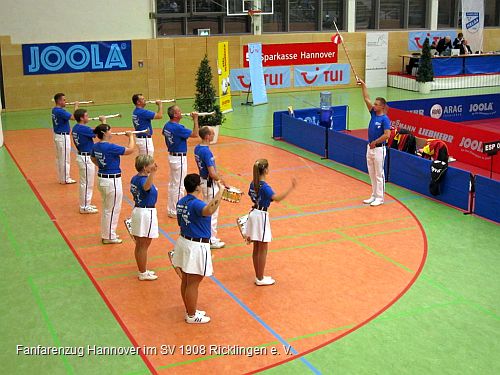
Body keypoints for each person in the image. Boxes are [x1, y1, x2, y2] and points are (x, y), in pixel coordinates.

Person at [172, 173, 224, 324]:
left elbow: (180, 222)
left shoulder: (181, 202)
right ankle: (192, 315)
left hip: (184, 241)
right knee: (193, 281)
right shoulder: (197, 204)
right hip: (195, 245)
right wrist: (220, 191)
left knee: (187, 280)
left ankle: (190, 308)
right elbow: (209, 210)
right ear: (196, 187)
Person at [247, 159, 296, 286]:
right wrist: (291, 188)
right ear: (265, 170)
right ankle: (260, 278)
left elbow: (253, 196)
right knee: (263, 248)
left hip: (254, 213)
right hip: (261, 216)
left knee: (256, 247)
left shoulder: (253, 183)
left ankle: (258, 275)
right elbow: (277, 198)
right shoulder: (265, 187)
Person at [91, 122, 135, 244]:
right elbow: (130, 150)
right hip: (112, 181)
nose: (111, 132)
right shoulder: (110, 147)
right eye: (109, 130)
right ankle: (109, 236)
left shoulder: (96, 146)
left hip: (102, 178)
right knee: (113, 208)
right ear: (104, 133)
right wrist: (131, 136)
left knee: (106, 208)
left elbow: (93, 158)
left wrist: (102, 166)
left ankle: (107, 233)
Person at [357, 78, 391, 207]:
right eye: (374, 104)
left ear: (382, 106)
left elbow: (387, 135)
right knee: (371, 173)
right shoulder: (373, 114)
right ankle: (374, 195)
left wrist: (376, 142)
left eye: (377, 104)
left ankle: (380, 197)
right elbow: (366, 98)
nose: (374, 105)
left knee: (379, 174)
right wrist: (363, 85)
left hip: (379, 149)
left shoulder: (384, 119)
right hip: (369, 147)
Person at [162, 105, 199, 218]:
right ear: (175, 115)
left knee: (173, 184)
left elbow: (164, 133)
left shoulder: (167, 125)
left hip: (172, 156)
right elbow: (195, 134)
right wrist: (196, 120)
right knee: (179, 186)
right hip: (179, 158)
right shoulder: (178, 128)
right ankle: (175, 210)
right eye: (179, 111)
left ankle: (171, 209)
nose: (181, 112)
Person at [194, 126, 227, 249]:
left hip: (203, 181)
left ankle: (208, 236)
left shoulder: (197, 148)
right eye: (212, 134)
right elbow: (212, 173)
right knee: (213, 211)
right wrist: (221, 181)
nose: (214, 135)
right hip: (209, 184)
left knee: (208, 208)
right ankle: (211, 239)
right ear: (207, 136)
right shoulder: (206, 152)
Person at [130, 155, 159, 281]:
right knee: (143, 245)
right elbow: (146, 187)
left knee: (140, 244)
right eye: (151, 164)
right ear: (144, 167)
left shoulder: (134, 178)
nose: (154, 165)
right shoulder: (143, 180)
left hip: (138, 210)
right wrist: (152, 174)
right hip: (146, 212)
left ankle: (142, 270)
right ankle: (142, 272)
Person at [71, 109, 101, 214]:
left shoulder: (76, 128)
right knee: (87, 183)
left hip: (82, 156)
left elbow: (91, 131)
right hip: (86, 158)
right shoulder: (83, 129)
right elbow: (100, 132)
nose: (88, 117)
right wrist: (103, 122)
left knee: (86, 182)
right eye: (86, 116)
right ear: (81, 118)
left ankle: (86, 204)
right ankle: (84, 206)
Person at [52, 93, 77, 184]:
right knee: (65, 158)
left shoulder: (54, 110)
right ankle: (66, 178)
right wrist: (76, 107)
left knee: (59, 158)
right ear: (59, 101)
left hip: (58, 136)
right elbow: (74, 117)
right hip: (63, 137)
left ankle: (62, 177)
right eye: (64, 100)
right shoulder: (60, 111)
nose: (65, 101)